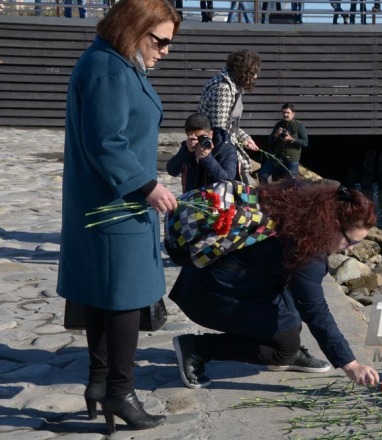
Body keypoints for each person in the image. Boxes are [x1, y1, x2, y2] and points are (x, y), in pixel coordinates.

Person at [56, 0, 180, 434]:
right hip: (117, 203)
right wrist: (148, 186)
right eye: (160, 40)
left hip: (108, 202)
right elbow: (106, 142)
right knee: (125, 297)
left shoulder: (112, 63)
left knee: (103, 296)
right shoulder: (108, 69)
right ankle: (121, 392)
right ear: (134, 28)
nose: (165, 50)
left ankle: (98, 382)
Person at [170, 181, 381, 389]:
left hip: (208, 276)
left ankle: (283, 351)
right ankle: (197, 348)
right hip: (210, 294)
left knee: (290, 320)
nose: (351, 249)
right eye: (351, 242)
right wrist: (350, 364)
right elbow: (316, 311)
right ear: (334, 225)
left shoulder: (303, 203)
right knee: (285, 346)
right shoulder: (307, 252)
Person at [198, 50, 261, 183]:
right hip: (219, 155)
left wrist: (245, 138)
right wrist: (234, 157)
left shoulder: (232, 87)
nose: (255, 76)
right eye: (253, 72)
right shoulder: (223, 89)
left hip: (225, 148)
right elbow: (219, 131)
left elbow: (229, 124)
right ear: (243, 71)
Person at [166, 113, 238, 193]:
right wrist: (186, 152)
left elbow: (228, 180)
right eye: (195, 139)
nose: (199, 142)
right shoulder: (188, 147)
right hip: (193, 200)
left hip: (217, 200)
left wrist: (207, 158)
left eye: (202, 137)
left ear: (211, 134)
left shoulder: (226, 148)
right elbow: (171, 170)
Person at [258, 103, 308, 184]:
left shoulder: (299, 125)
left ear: (293, 114)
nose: (285, 115)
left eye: (288, 113)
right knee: (262, 174)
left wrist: (291, 139)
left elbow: (305, 142)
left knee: (291, 183)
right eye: (284, 112)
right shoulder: (279, 125)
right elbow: (269, 142)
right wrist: (276, 134)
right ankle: (265, 193)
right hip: (277, 159)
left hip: (291, 160)